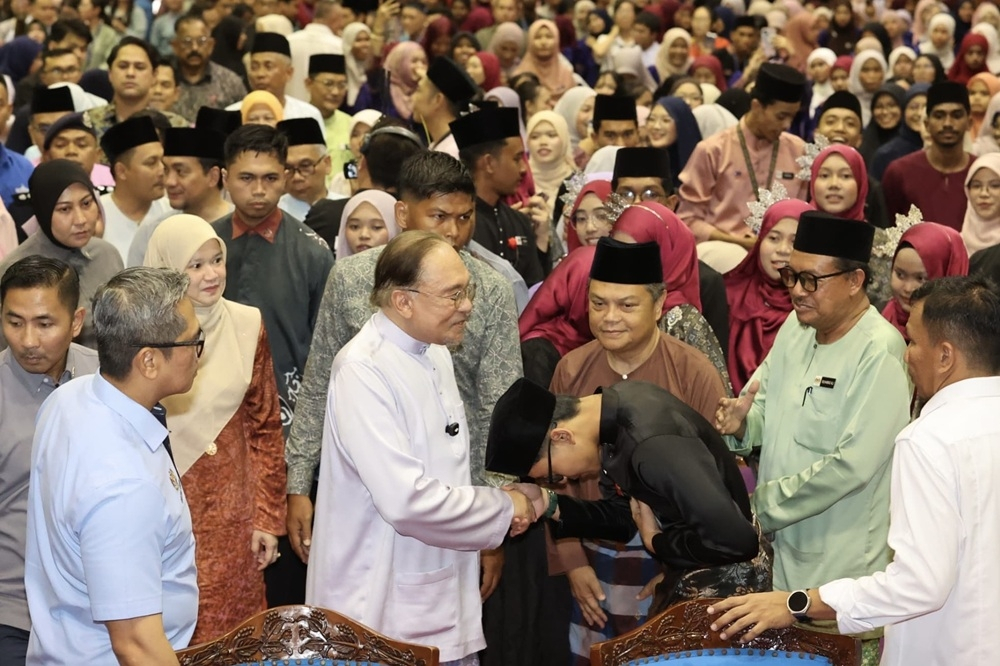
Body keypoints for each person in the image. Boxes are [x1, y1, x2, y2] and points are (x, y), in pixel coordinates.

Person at [707, 275, 1000, 666]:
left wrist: (798, 602)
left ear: (945, 356)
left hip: (948, 649)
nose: (907, 355)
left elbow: (920, 585)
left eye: (912, 341)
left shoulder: (928, 440)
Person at [284, 152, 521, 617]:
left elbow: (500, 406)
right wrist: (298, 484)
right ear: (402, 213)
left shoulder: (489, 289)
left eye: (464, 217)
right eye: (438, 216)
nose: (452, 232)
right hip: (367, 485)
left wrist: (490, 518)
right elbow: (317, 385)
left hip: (455, 493)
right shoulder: (351, 278)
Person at [305, 230, 534, 664]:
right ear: (403, 301)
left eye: (466, 291)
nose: (467, 305)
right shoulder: (363, 370)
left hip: (437, 576)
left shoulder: (434, 351)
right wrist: (505, 509)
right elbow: (406, 500)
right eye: (452, 295)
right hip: (379, 596)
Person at [543, 237, 757, 666]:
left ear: (658, 305)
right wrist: (572, 563)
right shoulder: (572, 368)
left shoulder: (692, 369)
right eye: (598, 304)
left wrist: (674, 563)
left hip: (676, 552)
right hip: (594, 548)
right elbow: (550, 472)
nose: (610, 318)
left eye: (626, 305)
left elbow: (717, 480)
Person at [714, 210, 910, 665]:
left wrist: (761, 506)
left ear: (856, 279)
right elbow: (763, 403)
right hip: (785, 550)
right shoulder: (795, 329)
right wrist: (743, 424)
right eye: (791, 276)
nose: (797, 290)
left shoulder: (879, 351)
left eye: (811, 280)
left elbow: (852, 464)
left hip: (841, 564)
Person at [23, 266, 200, 664]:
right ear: (150, 361)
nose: (199, 352)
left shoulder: (70, 398)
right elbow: (136, 643)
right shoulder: (124, 485)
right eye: (194, 341)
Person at [484, 368, 761, 617]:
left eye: (552, 476)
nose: (562, 480)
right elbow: (625, 517)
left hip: (727, 594)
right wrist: (549, 502)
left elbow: (736, 542)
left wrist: (657, 543)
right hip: (696, 576)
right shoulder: (615, 414)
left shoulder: (650, 443)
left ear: (562, 437)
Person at [143, 214, 286, 644]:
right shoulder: (143, 334)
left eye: (217, 260)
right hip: (166, 510)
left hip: (235, 517)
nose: (212, 274)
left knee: (237, 637)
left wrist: (268, 516)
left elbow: (264, 425)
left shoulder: (247, 323)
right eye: (196, 265)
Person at [0, 257, 98, 666]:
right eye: (14, 321)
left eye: (44, 323)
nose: (27, 340)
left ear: (76, 321)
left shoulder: (106, 380)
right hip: (14, 615)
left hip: (99, 613)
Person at [212, 122, 334, 442]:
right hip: (209, 416)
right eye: (246, 178)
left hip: (288, 419)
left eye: (270, 178)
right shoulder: (204, 245)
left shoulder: (312, 252)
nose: (258, 190)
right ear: (225, 179)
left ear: (285, 177)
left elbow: (325, 351)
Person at [677, 63, 808, 274]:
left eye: (792, 117)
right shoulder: (713, 150)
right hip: (723, 258)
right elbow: (688, 221)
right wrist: (737, 241)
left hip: (783, 262)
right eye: (781, 116)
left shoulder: (798, 151)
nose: (787, 125)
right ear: (757, 106)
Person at [0, 161, 122, 349]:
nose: (81, 219)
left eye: (86, 203)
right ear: (43, 211)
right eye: (65, 209)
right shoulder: (16, 270)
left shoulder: (106, 255)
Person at [725, 199, 813, 395]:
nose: (782, 249)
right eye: (773, 238)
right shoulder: (728, 297)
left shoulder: (817, 307)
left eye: (795, 241)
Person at [454, 105, 548, 286]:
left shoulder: (519, 221)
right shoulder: (458, 224)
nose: (523, 168)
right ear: (488, 163)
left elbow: (535, 291)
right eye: (517, 158)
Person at [126, 125, 233, 266]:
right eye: (166, 170)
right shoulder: (153, 230)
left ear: (213, 176)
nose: (169, 181)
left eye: (180, 171)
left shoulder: (239, 226)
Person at [882, 81, 972, 232]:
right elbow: (888, 230)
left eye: (956, 115)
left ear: (969, 122)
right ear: (927, 123)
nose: (948, 123)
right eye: (939, 116)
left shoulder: (981, 172)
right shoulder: (899, 172)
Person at [82, 37, 189, 145]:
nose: (130, 73)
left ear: (154, 75)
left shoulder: (176, 126)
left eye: (140, 67)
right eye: (123, 66)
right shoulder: (88, 122)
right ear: (110, 73)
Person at [98, 115, 175, 265]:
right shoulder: (97, 215)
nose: (162, 170)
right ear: (121, 171)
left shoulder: (171, 212)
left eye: (162, 161)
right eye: (151, 163)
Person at [225, 32, 326, 138]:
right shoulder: (231, 115)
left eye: (268, 67)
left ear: (288, 73)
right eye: (254, 67)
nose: (260, 74)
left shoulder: (307, 115)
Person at [882, 222, 969, 341]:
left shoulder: (965, 339)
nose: (908, 288)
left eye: (920, 279)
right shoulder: (877, 317)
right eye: (900, 275)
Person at [171, 14, 248, 123]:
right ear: (175, 46)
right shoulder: (163, 82)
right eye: (187, 42)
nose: (194, 48)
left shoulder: (230, 81)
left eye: (201, 41)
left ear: (211, 45)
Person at [412, 55, 479, 158]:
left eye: (418, 91)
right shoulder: (437, 145)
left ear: (437, 100)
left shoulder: (452, 155)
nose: (413, 98)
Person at [276, 117, 338, 223]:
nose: (297, 177)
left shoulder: (347, 208)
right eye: (288, 168)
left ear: (327, 163)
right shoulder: (273, 214)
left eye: (305, 166)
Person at [304, 54, 352, 179]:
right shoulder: (294, 121)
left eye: (342, 85)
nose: (335, 92)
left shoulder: (351, 125)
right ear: (308, 84)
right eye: (328, 84)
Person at [286, 0, 343, 103]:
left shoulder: (288, 41)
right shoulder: (338, 46)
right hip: (323, 112)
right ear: (334, 19)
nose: (342, 24)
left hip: (289, 108)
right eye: (341, 19)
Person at [871, 83, 929, 182]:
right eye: (913, 107)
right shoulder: (886, 154)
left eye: (926, 107)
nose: (920, 113)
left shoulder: (947, 150)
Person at [527, 110, 575, 221]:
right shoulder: (518, 182)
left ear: (564, 139)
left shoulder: (576, 182)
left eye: (551, 135)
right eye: (535, 136)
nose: (543, 142)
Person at [513, 19, 575, 102]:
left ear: (557, 40)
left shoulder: (566, 75)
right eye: (538, 37)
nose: (543, 42)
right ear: (530, 41)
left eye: (549, 37)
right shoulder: (521, 76)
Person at [333, 189, 399, 258]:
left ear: (395, 229)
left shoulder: (407, 268)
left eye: (376, 227)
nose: (364, 235)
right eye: (355, 227)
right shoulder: (337, 268)